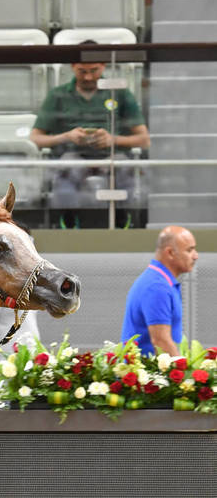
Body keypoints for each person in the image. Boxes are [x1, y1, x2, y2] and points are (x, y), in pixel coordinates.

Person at [29, 43, 150, 225]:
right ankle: (68, 223)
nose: (87, 77)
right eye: (81, 71)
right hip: (73, 155)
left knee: (125, 170)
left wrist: (112, 140)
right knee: (66, 172)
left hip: (112, 155)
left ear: (103, 66)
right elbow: (35, 139)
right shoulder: (58, 95)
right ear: (72, 67)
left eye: (93, 71)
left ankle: (125, 222)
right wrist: (66, 136)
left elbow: (143, 139)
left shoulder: (121, 93)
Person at [121, 226, 198, 357]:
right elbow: (161, 342)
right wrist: (187, 374)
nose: (196, 256)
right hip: (150, 374)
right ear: (170, 253)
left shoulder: (159, 281)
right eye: (189, 250)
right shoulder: (157, 287)